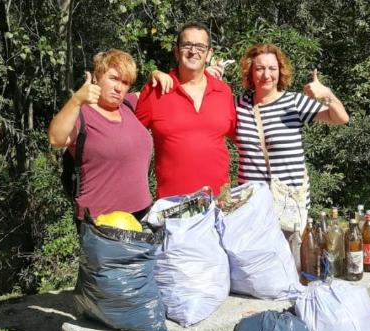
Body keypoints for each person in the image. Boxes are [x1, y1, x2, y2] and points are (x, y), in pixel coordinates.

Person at [47, 49, 170, 221]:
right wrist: (76, 100)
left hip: (143, 214)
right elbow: (55, 139)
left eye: (125, 82)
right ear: (96, 77)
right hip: (101, 222)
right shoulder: (82, 113)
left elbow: (160, 92)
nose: (119, 88)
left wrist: (156, 74)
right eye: (113, 78)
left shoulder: (128, 104)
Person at [232, 44, 349, 207]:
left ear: (280, 71)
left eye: (272, 68)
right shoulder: (238, 105)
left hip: (289, 205)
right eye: (259, 68)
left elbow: (340, 118)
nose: (266, 75)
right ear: (250, 72)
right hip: (250, 205)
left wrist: (327, 94)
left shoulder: (294, 102)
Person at [135, 23, 237, 199]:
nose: (193, 51)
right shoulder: (155, 91)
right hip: (173, 205)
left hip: (218, 202)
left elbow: (242, 138)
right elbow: (129, 137)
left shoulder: (223, 92)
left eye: (200, 46)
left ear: (209, 54)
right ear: (176, 51)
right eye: (187, 45)